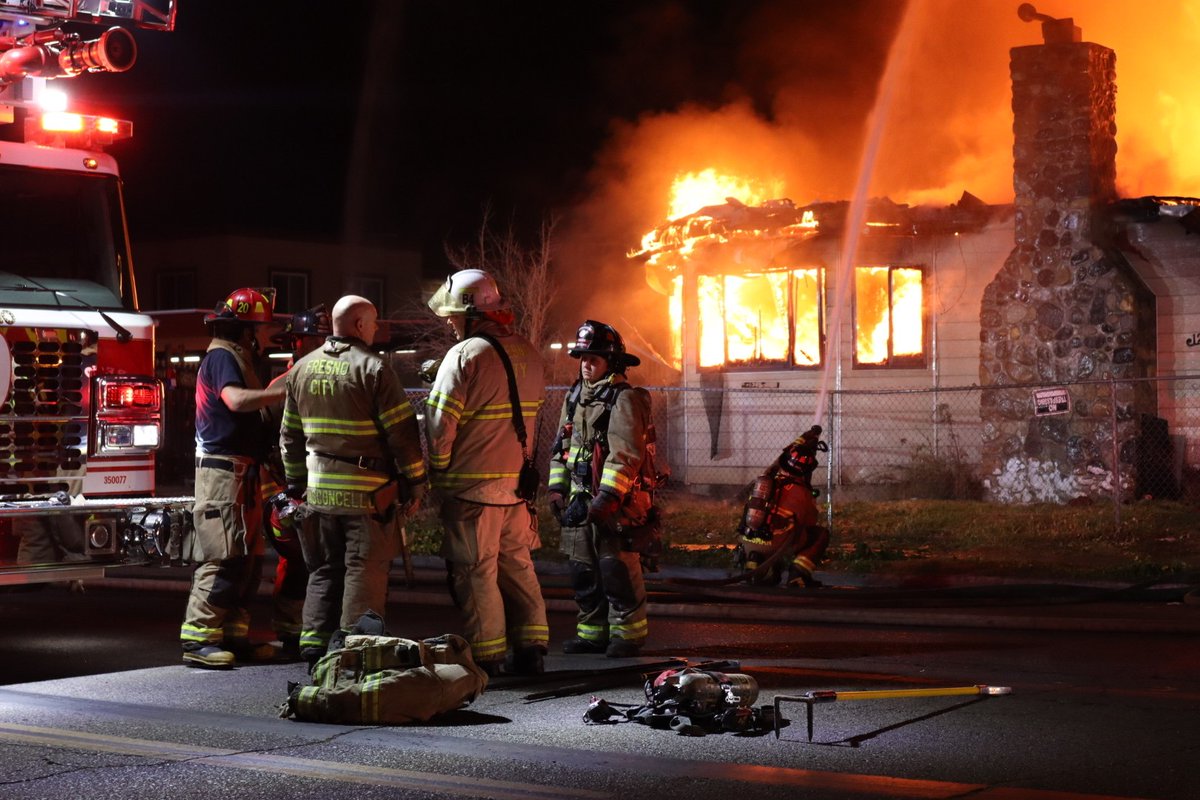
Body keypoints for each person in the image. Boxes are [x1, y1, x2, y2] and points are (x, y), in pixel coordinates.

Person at [280, 295, 427, 668]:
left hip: (317, 494)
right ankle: (353, 650)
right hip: (366, 495)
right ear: (360, 325)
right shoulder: (374, 369)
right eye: (374, 323)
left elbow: (290, 437)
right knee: (364, 568)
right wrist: (416, 481)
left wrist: (297, 486)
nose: (376, 330)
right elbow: (402, 434)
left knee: (324, 570)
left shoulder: (302, 369)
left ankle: (312, 644)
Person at [424, 268, 549, 676]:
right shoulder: (528, 351)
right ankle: (531, 648)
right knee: (517, 566)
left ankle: (487, 655)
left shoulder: (463, 356)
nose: (449, 322)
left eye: (454, 316)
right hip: (516, 488)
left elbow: (441, 424)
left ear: (471, 313)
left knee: (476, 572)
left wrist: (438, 474)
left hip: (471, 487)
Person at [180, 288, 286, 668]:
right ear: (245, 331)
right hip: (223, 473)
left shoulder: (235, 356)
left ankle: (233, 636)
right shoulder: (223, 357)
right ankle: (198, 638)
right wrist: (281, 392)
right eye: (260, 329)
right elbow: (236, 401)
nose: (264, 336)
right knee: (222, 556)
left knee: (247, 559)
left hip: (241, 471)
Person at [548, 320, 655, 658]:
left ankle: (628, 635)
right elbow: (562, 446)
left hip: (614, 502)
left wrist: (608, 498)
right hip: (580, 499)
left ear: (612, 362)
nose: (586, 364)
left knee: (616, 569)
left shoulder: (625, 399)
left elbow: (626, 454)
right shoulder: (574, 395)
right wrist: (556, 489)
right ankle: (592, 633)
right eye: (582, 358)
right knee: (582, 572)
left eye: (594, 358)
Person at [259, 305, 330, 660]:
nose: (317, 344)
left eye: (322, 338)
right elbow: (264, 431)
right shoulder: (285, 383)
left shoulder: (331, 374)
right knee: (297, 558)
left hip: (326, 481)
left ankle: (315, 627)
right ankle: (290, 629)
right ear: (297, 342)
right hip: (291, 482)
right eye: (311, 338)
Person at [735, 426, 830, 588]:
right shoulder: (802, 492)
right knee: (819, 534)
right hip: (777, 546)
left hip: (747, 540)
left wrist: (805, 436)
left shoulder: (766, 482)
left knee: (778, 525)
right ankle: (797, 575)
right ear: (806, 471)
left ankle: (755, 564)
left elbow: (784, 455)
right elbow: (808, 523)